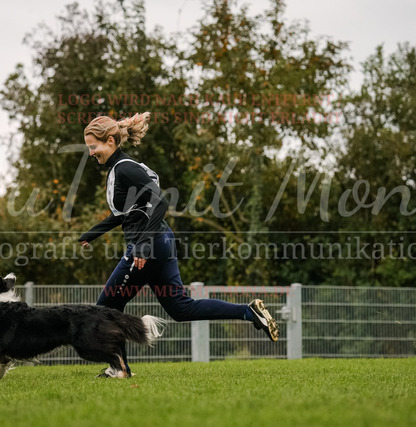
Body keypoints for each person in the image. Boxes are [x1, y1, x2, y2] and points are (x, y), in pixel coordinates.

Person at [78, 112, 279, 377]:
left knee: (106, 309)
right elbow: (125, 214)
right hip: (161, 240)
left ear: (111, 141)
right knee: (181, 308)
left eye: (94, 147)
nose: (91, 153)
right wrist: (91, 234)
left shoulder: (124, 168)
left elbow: (159, 202)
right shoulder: (121, 169)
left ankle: (119, 369)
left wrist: (142, 246)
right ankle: (249, 312)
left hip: (148, 245)